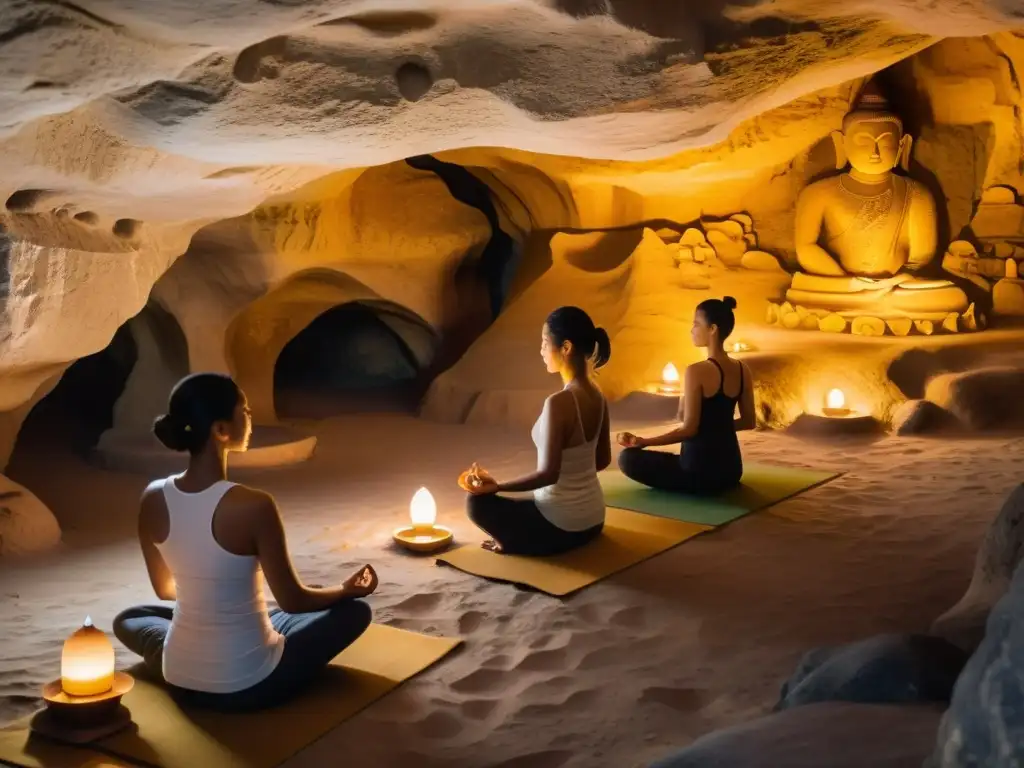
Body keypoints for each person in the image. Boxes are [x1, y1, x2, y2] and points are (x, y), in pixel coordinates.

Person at [113, 373, 377, 712]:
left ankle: (202, 645)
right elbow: (293, 600)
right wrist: (344, 589)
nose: (250, 418)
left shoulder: (152, 497)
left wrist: (211, 604)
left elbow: (164, 591)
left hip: (177, 675)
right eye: (245, 411)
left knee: (132, 617)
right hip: (249, 684)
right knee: (355, 612)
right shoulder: (254, 505)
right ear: (221, 430)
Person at [459, 306, 612, 556]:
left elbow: (548, 475)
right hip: (594, 520)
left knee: (476, 503)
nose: (541, 350)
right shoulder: (598, 396)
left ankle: (516, 543)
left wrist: (496, 487)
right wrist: (573, 484)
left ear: (566, 347)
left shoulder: (560, 402)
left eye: (544, 342)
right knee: (523, 502)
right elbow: (602, 460)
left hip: (561, 525)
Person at [617, 296, 756, 494]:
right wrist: (717, 428)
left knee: (627, 458)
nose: (692, 330)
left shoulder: (696, 371)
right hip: (732, 470)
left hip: (698, 471)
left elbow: (689, 430)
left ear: (712, 329)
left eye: (696, 324)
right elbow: (749, 421)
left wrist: (644, 441)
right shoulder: (743, 369)